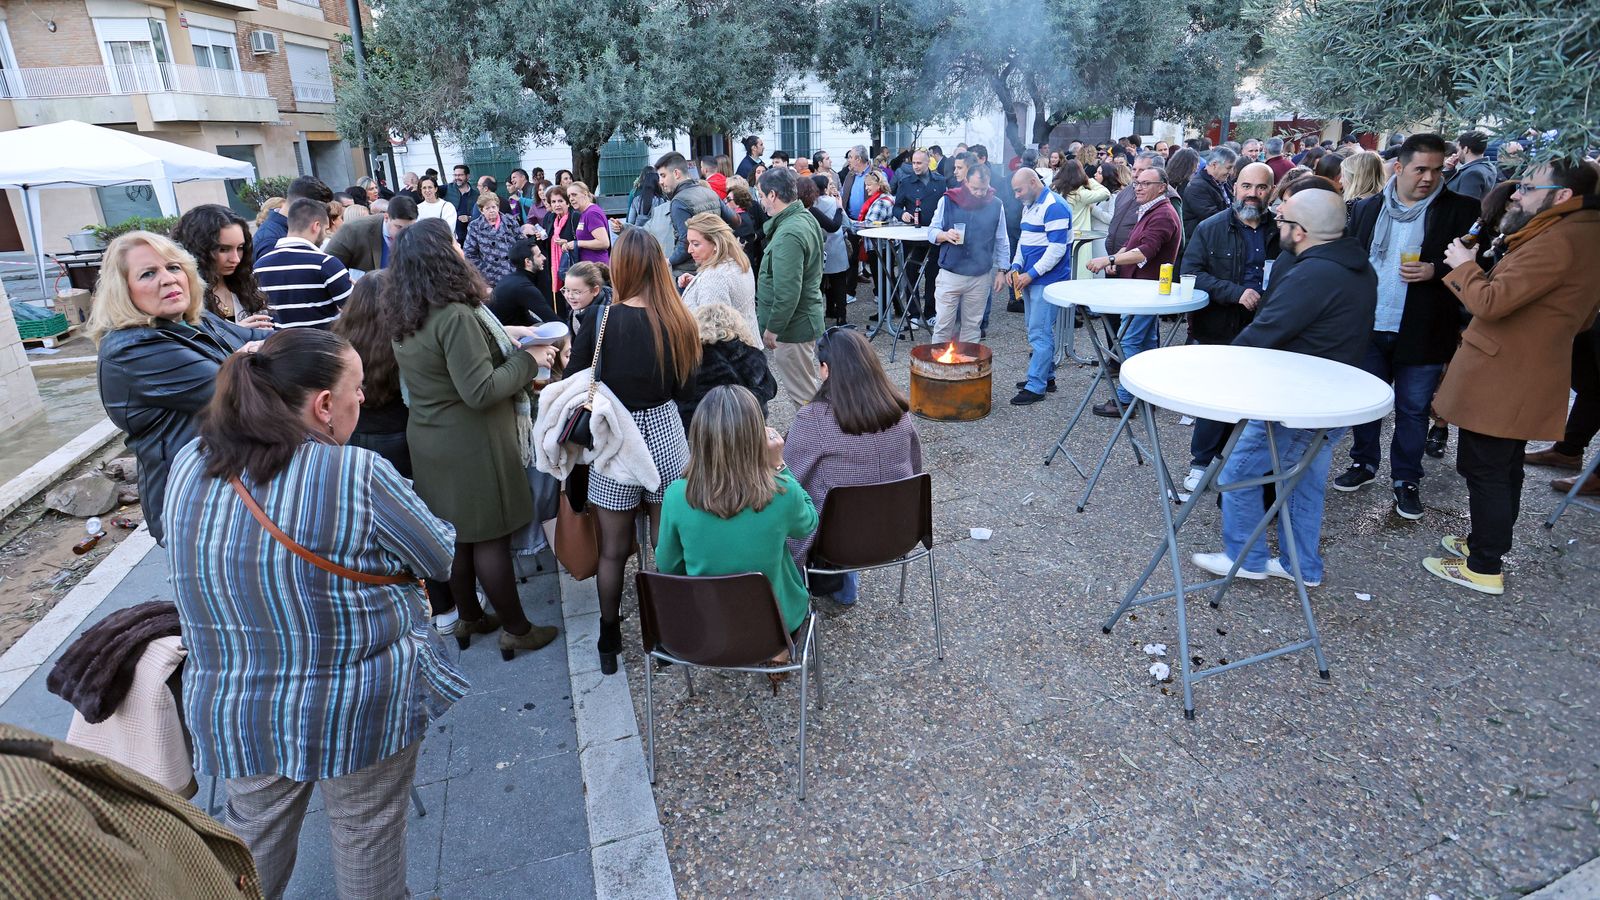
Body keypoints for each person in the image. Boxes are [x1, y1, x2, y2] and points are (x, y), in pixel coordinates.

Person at [163, 327, 465, 899]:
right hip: (358, 702)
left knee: (252, 840)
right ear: (324, 404)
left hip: (236, 704)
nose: (363, 399)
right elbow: (439, 557)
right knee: (366, 831)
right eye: (357, 388)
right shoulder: (357, 474)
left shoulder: (190, 462)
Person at [1422, 161, 1600, 595]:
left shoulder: (1559, 240)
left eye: (1529, 187)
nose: (1516, 194)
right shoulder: (1580, 231)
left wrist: (1463, 265)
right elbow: (1580, 318)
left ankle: (1483, 565)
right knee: (1502, 466)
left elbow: (1489, 303)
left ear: (1562, 196)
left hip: (1506, 374)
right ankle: (1485, 543)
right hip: (1523, 369)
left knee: (1486, 468)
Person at [388, 218, 563, 659]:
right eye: (454, 244)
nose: (462, 249)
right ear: (441, 257)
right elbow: (480, 390)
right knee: (489, 538)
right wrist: (529, 360)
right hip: (471, 441)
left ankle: (470, 616)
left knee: (459, 536)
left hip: (430, 438)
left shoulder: (407, 313)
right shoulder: (455, 315)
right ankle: (517, 629)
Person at [1191, 189, 1377, 587]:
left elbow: (1266, 331)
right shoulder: (1356, 265)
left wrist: (1212, 371)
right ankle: (1302, 566)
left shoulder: (1314, 274)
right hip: (1330, 398)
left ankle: (1246, 559)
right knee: (1303, 483)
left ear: (1301, 230)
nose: (1276, 224)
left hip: (1296, 402)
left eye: (1283, 220)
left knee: (1239, 471)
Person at [568, 227, 701, 674]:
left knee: (612, 550)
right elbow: (687, 391)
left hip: (614, 441)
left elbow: (575, 380)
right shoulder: (678, 320)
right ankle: (667, 635)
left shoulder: (599, 319)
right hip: (664, 435)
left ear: (619, 268)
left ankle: (609, 640)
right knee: (667, 547)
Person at [89, 232, 269, 545]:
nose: (168, 279)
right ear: (123, 290)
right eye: (148, 273)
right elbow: (241, 393)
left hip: (230, 483)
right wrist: (247, 358)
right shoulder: (133, 348)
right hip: (193, 506)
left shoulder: (194, 320)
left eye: (173, 267)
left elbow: (263, 338)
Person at [1337, 133, 1480, 519]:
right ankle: (1363, 463)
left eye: (1437, 170)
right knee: (1366, 404)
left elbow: (1479, 266)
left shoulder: (1461, 210)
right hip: (1371, 326)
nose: (1429, 177)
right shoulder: (1368, 208)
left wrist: (1436, 271)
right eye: (1420, 169)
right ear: (1398, 167)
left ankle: (1406, 479)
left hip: (1423, 328)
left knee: (1413, 410)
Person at [656, 384, 818, 637]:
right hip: (774, 621)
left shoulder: (677, 495)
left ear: (700, 435)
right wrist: (779, 465)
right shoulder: (781, 491)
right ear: (756, 436)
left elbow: (668, 566)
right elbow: (808, 524)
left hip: (706, 625)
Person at [783, 327, 922, 606]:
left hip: (837, 543)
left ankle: (796, 591)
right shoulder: (899, 410)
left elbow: (789, 483)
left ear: (826, 369)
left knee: (797, 493)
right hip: (901, 530)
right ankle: (844, 586)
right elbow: (916, 469)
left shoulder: (813, 419)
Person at [1180, 162, 1281, 488]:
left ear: (1271, 191)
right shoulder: (1210, 227)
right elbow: (1190, 273)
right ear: (1234, 187)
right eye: (1247, 186)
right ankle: (1202, 462)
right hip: (1220, 326)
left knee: (1258, 398)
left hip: (1267, 328)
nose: (1253, 194)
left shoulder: (1282, 230)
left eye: (1261, 187)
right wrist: (1235, 293)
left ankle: (1244, 466)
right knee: (1216, 397)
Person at [1085, 165, 1182, 418]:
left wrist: (1109, 260)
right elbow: (1131, 243)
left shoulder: (1163, 214)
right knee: (1146, 343)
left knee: (1129, 341)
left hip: (1145, 291)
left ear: (1162, 188)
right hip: (1141, 288)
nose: (1138, 187)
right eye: (1136, 182)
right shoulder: (1151, 209)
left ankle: (1126, 399)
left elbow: (1144, 251)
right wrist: (1117, 259)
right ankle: (1147, 395)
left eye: (1145, 183)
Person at [755, 167, 826, 406]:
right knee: (807, 390)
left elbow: (787, 291)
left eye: (762, 195)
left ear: (772, 195)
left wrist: (773, 328)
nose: (761, 202)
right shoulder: (802, 217)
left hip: (793, 328)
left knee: (804, 397)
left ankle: (817, 431)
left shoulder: (789, 232)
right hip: (799, 322)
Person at [924, 154, 1009, 344]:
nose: (980, 193)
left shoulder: (996, 204)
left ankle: (968, 361)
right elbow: (931, 232)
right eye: (975, 188)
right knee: (943, 326)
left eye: (984, 189)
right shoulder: (948, 200)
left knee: (972, 327)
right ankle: (938, 362)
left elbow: (1002, 240)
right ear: (966, 182)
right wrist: (945, 235)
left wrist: (1002, 270)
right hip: (950, 274)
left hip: (980, 276)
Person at [1008, 168, 1073, 406]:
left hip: (1046, 281)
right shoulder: (1031, 204)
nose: (1016, 195)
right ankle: (1047, 376)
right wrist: (1016, 265)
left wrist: (1031, 273)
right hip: (1031, 278)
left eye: (1019, 190)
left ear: (1034, 182)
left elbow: (1056, 249)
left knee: (1039, 331)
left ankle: (1036, 386)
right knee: (1036, 328)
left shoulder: (1054, 206)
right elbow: (1024, 240)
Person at [255, 199, 356, 330]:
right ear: (316, 226)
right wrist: (359, 291)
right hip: (324, 341)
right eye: (325, 229)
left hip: (280, 341)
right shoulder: (326, 264)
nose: (326, 235)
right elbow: (357, 312)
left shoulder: (259, 266)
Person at [170, 204, 273, 328]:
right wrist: (238, 332)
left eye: (240, 248)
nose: (235, 259)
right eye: (223, 249)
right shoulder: (182, 295)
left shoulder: (244, 283)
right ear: (200, 249)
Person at [675, 302, 777, 427]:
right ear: (736, 325)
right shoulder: (751, 355)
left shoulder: (688, 361)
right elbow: (770, 389)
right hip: (746, 428)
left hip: (700, 428)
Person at [677, 211, 758, 337]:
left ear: (716, 243)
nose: (689, 250)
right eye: (689, 243)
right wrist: (697, 284)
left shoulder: (714, 279)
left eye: (695, 244)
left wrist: (706, 284)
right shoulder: (737, 261)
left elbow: (712, 333)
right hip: (749, 340)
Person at [891, 150, 947, 329]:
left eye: (919, 163)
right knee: (910, 273)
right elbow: (896, 207)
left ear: (928, 162)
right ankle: (914, 314)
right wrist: (902, 214)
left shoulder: (940, 181)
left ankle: (931, 312)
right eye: (913, 163)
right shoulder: (906, 182)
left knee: (933, 275)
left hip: (935, 235)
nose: (915, 166)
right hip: (913, 236)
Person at [656, 151, 734, 275]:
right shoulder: (709, 192)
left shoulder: (679, 201)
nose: (660, 181)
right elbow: (735, 220)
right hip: (713, 264)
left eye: (663, 175)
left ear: (676, 173)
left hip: (688, 271)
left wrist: (670, 261)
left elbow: (685, 241)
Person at [325, 194, 417, 273]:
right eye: (399, 227)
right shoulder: (353, 230)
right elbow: (328, 267)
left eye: (410, 228)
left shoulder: (418, 232)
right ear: (386, 217)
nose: (405, 233)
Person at [1053, 160, 1112, 280]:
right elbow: (1106, 193)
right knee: (1079, 271)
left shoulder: (1056, 191)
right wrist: (1088, 179)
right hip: (1080, 237)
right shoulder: (1080, 194)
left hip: (1060, 235)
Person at [252, 176, 333, 263]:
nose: (324, 217)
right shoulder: (270, 240)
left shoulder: (277, 231)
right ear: (305, 206)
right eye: (322, 212)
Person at [490, 238, 559, 326]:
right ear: (528, 262)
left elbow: (523, 317)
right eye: (539, 255)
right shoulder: (523, 287)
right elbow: (553, 320)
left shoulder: (513, 279)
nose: (544, 258)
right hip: (503, 332)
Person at [464, 191, 519, 285]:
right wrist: (484, 270)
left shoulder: (510, 221)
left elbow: (521, 244)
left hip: (512, 273)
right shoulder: (475, 226)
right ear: (481, 210)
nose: (492, 210)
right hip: (490, 277)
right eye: (487, 208)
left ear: (498, 207)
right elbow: (469, 254)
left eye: (494, 207)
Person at [1182, 147, 1238, 237]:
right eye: (1229, 168)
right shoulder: (1197, 187)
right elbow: (1212, 217)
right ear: (1214, 165)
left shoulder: (1223, 181)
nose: (1231, 172)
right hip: (1203, 239)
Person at [539, 184, 579, 302]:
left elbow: (581, 241)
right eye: (553, 202)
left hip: (571, 265)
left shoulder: (575, 216)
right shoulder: (550, 217)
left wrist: (568, 243)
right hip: (553, 265)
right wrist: (540, 237)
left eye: (560, 201)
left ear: (567, 203)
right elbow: (546, 239)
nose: (557, 205)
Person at [624, 167, 675, 253]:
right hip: (657, 239)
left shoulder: (636, 199)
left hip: (638, 238)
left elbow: (630, 221)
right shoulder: (662, 201)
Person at [1445, 130, 1499, 201]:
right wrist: (1449, 170)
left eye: (1458, 150)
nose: (1456, 154)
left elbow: (1466, 204)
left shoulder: (1472, 173)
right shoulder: (1488, 167)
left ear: (1465, 149)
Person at [566, 181, 612, 265]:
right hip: (590, 266)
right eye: (569, 196)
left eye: (574, 194)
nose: (571, 199)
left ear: (585, 194)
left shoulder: (591, 213)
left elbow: (604, 243)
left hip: (597, 266)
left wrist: (578, 243)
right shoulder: (585, 213)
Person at [445, 164, 474, 242]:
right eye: (455, 175)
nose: (457, 177)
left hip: (468, 238)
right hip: (449, 237)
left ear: (468, 176)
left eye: (460, 175)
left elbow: (479, 215)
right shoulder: (447, 189)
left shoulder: (475, 195)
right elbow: (433, 189)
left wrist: (469, 218)